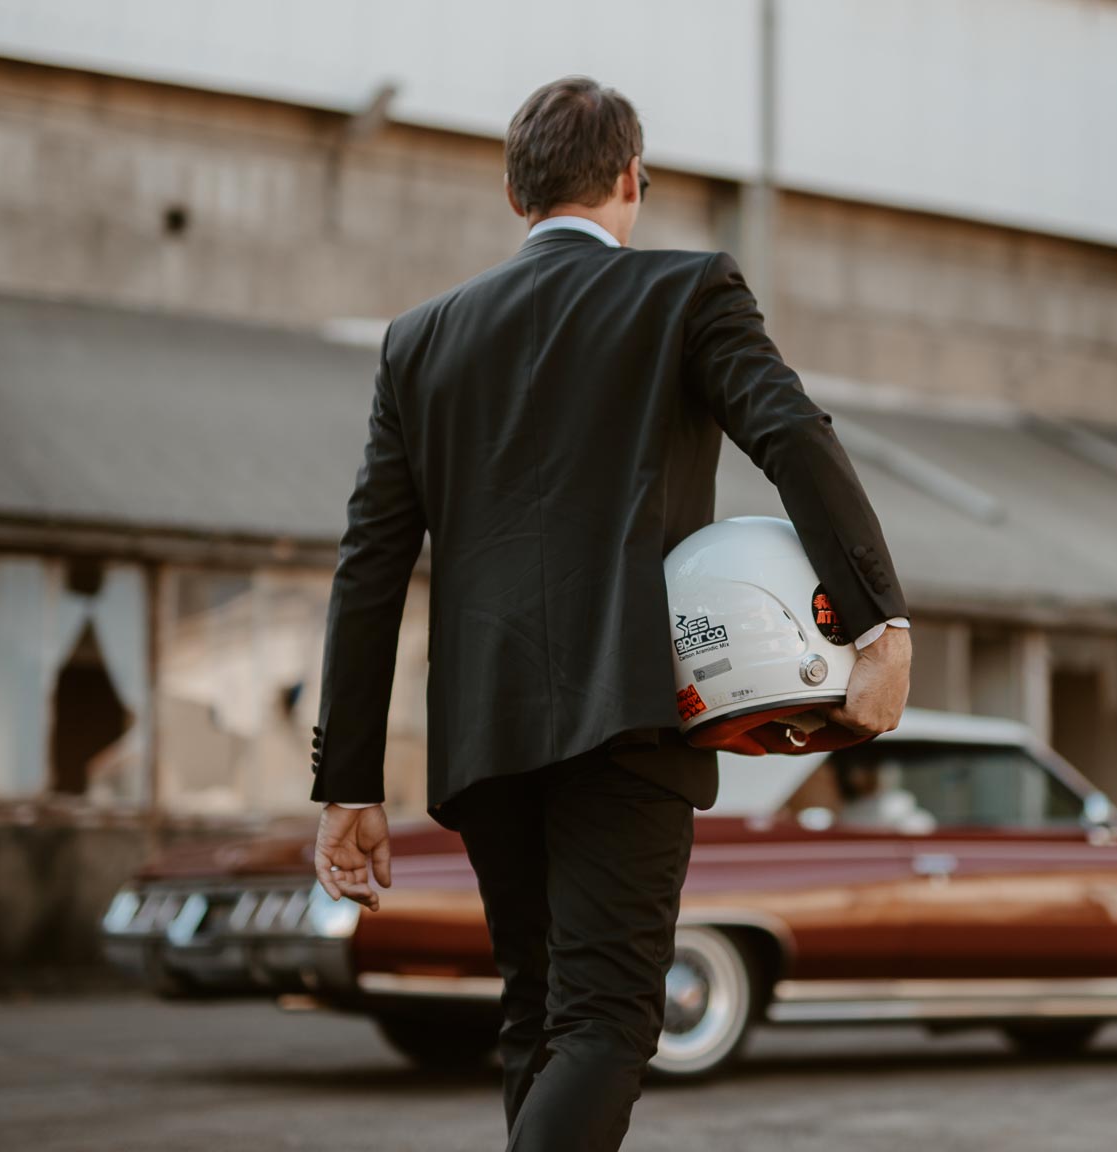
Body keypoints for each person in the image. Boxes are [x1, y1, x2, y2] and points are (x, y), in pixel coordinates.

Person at [306, 76, 912, 1152]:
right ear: (634, 181)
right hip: (627, 714)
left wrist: (346, 779)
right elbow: (793, 436)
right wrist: (877, 625)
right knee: (604, 1022)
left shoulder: (419, 342)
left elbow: (370, 563)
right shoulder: (684, 293)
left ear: (512, 192)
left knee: (536, 1017)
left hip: (485, 736)